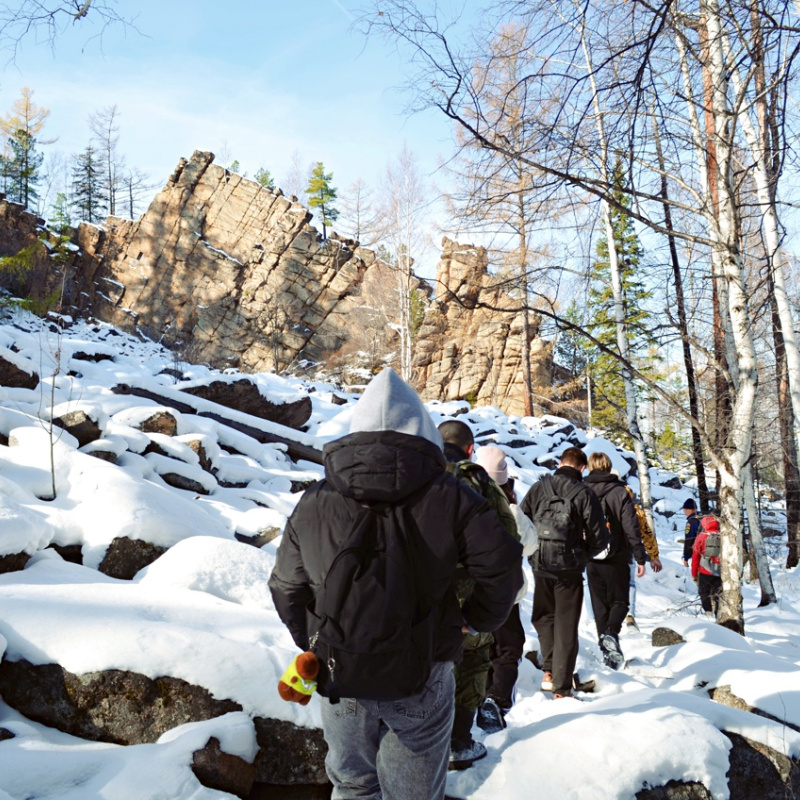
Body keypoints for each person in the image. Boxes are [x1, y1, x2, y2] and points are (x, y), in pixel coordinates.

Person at [269, 368, 523, 800]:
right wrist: (473, 620)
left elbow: (286, 587)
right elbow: (503, 566)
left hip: (338, 666)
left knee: (352, 786)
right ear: (422, 432)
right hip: (423, 665)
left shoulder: (315, 499)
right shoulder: (452, 494)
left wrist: (315, 639)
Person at [437, 421, 518, 769]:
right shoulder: (477, 480)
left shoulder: (412, 470)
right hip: (466, 595)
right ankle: (458, 742)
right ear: (470, 450)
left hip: (414, 595)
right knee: (471, 662)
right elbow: (508, 539)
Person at [520, 447, 609, 699]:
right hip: (568, 569)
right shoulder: (584, 493)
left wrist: (532, 551)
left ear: (560, 463)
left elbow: (522, 521)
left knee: (544, 617)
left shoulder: (539, 488)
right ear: (582, 468)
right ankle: (561, 687)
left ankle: (548, 672)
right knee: (566, 625)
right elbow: (600, 538)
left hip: (540, 563)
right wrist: (582, 555)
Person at [473, 445, 537, 733]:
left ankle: (475, 701)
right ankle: (496, 701)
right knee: (508, 649)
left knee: (479, 649)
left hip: (471, 594)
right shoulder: (510, 508)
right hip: (505, 596)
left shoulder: (460, 500)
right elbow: (531, 543)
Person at [583, 452, 646, 669]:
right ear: (609, 467)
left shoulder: (583, 491)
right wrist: (640, 556)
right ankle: (611, 634)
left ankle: (609, 656)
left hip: (591, 558)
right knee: (620, 602)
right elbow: (631, 527)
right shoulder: (619, 492)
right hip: (617, 557)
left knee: (600, 607)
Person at [625, 485, 662, 628]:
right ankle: (630, 615)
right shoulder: (637, 512)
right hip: (629, 552)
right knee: (630, 583)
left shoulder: (605, 505)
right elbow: (647, 534)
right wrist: (654, 555)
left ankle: (596, 619)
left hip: (605, 551)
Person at [691, 515, 723, 617]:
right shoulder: (723, 536)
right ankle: (718, 612)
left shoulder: (701, 536)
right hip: (720, 571)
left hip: (705, 571)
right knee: (719, 594)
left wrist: (694, 574)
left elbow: (695, 557)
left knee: (704, 592)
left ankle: (708, 611)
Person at [681, 498, 701, 567]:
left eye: (686, 509)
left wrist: (686, 557)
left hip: (699, 553)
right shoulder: (703, 517)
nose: (685, 511)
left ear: (691, 509)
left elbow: (689, 539)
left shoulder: (691, 521)